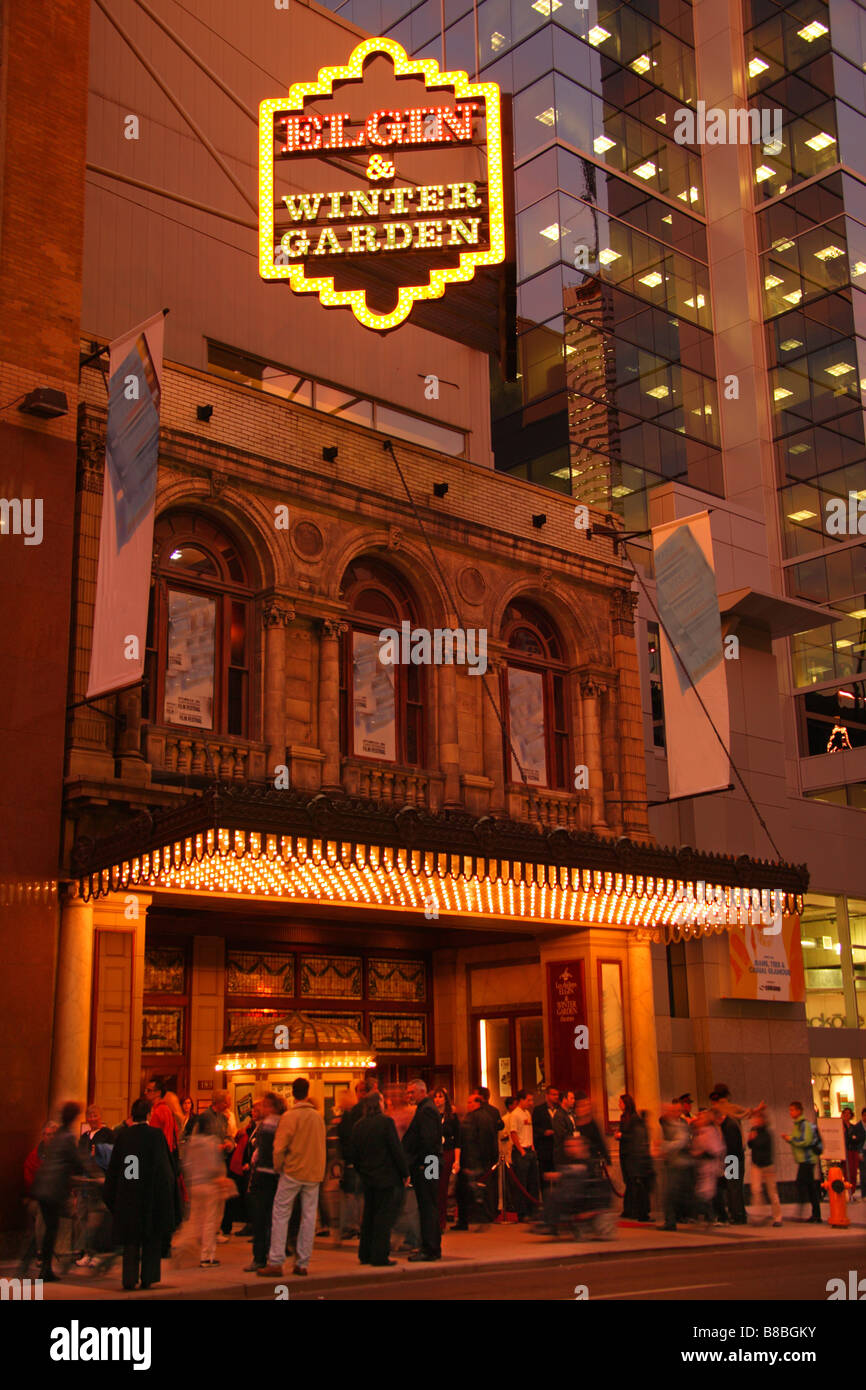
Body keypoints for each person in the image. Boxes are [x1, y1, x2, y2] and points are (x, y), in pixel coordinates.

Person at [103, 1096, 176, 1291]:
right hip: (150, 1195)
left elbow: (115, 1169)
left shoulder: (124, 1137)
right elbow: (164, 1169)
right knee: (151, 1238)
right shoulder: (156, 1136)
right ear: (149, 1115)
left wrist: (113, 1196)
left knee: (131, 1240)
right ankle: (148, 1277)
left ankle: (129, 1278)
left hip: (128, 1194)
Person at [258, 1077, 326, 1278]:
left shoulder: (289, 1117)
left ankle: (276, 1261)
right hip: (313, 1173)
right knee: (308, 1217)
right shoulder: (317, 1117)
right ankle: (303, 1262)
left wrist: (279, 1167)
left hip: (293, 1171)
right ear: (307, 1091)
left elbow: (279, 1147)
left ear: (292, 1092)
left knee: (280, 1214)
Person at [350, 1090, 409, 1266]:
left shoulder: (359, 1125)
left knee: (369, 1215)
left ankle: (365, 1253)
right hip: (386, 1176)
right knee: (383, 1217)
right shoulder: (386, 1123)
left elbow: (354, 1154)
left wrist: (362, 1171)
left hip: (368, 1177)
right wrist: (404, 1172)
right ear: (379, 1103)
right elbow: (395, 1149)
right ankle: (379, 1255)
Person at [31, 1102, 88, 1281]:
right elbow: (78, 1160)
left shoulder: (59, 1136)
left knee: (50, 1227)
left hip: (42, 1187)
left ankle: (45, 1265)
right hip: (54, 1190)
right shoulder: (67, 1137)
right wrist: (93, 1174)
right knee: (52, 1227)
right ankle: (47, 1267)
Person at [401, 1078, 443, 1260]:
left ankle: (430, 1248)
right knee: (428, 1204)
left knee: (427, 1205)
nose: (409, 1096)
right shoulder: (426, 1109)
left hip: (428, 1162)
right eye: (408, 1092)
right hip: (430, 1161)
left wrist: (420, 1163)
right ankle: (430, 1246)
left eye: (412, 1092)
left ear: (422, 1091)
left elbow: (427, 1141)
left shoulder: (426, 1110)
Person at [244, 1092, 285, 1272]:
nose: (263, 1108)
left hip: (265, 1173)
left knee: (261, 1217)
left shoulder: (269, 1125)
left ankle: (260, 1257)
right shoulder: (283, 1122)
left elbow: (264, 1151)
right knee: (273, 1218)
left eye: (267, 1105)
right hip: (278, 1175)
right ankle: (272, 1253)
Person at [144, 1076, 183, 1250]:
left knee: (158, 1203)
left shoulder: (158, 1111)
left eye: (149, 1090)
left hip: (160, 1160)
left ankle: (161, 1244)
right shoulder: (166, 1111)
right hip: (167, 1160)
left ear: (158, 1093)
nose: (146, 1093)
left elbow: (158, 1139)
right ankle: (165, 1243)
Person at [454, 1090, 498, 1231]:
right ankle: (470, 1220)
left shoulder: (472, 1119)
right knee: (476, 1191)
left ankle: (471, 1220)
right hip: (482, 1161)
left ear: (478, 1103)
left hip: (473, 1161)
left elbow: (469, 1141)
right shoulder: (487, 1117)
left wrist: (468, 1162)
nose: (468, 1105)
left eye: (470, 1102)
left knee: (472, 1192)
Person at [18, 1121, 58, 1276]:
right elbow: (29, 1180)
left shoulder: (59, 1153)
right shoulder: (35, 1155)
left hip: (58, 1196)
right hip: (38, 1197)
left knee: (81, 1209)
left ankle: (86, 1250)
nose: (50, 1137)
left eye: (53, 1134)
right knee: (42, 1212)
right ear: (43, 1136)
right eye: (47, 1134)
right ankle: (41, 1252)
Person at [709, 1089, 747, 1225]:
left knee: (733, 1189)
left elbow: (732, 1147)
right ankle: (738, 1214)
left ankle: (737, 1216)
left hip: (733, 1160)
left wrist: (728, 1166)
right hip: (734, 1159)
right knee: (734, 1188)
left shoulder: (729, 1126)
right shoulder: (729, 1124)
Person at [782, 1101, 821, 1223]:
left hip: (808, 1159)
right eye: (790, 1110)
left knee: (802, 1184)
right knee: (810, 1187)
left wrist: (790, 1139)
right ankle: (815, 1214)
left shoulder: (804, 1125)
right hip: (804, 1159)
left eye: (792, 1110)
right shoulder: (798, 1125)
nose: (791, 1112)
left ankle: (805, 1208)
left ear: (799, 1111)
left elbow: (805, 1140)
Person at [337, 1080, 367, 1238]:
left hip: (433, 1161)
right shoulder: (350, 1114)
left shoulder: (356, 1114)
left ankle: (356, 1225)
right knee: (353, 1194)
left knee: (356, 1194)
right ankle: (354, 1225)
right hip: (353, 1161)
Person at [504, 1090, 540, 1221]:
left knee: (532, 1182)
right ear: (522, 1100)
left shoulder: (527, 1113)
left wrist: (532, 1147)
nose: (531, 1103)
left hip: (529, 1149)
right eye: (529, 1100)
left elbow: (528, 1131)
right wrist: (521, 1150)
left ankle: (533, 1211)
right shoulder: (515, 1115)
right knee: (522, 1183)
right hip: (521, 1151)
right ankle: (522, 1213)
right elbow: (513, 1133)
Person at [616, 1094, 652, 1222]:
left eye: (621, 1102)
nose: (619, 1105)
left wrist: (622, 1136)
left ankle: (635, 1210)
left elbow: (634, 1137)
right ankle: (629, 1209)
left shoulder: (634, 1119)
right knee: (629, 1182)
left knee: (634, 1183)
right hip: (625, 1154)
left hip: (632, 1156)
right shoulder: (624, 1118)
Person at [658, 1102, 693, 1231]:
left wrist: (664, 1146)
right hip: (674, 1163)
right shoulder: (666, 1124)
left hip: (679, 1164)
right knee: (671, 1194)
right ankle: (671, 1220)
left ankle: (674, 1220)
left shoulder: (679, 1126)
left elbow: (681, 1142)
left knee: (672, 1194)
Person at [746, 1106, 782, 1227]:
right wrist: (750, 1139)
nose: (755, 1121)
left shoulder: (766, 1132)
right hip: (756, 1164)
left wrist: (753, 1138)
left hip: (767, 1165)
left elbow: (761, 1144)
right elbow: (751, 1145)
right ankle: (758, 1215)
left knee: (772, 1192)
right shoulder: (753, 1130)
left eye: (758, 1118)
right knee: (756, 1190)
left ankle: (777, 1217)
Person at [432, 1087, 460, 1232]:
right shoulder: (429, 1114)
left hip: (447, 1153)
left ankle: (440, 1222)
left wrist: (457, 1160)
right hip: (431, 1155)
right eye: (435, 1097)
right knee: (430, 1186)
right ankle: (430, 1220)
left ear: (445, 1099)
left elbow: (458, 1140)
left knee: (442, 1187)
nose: (437, 1099)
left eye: (440, 1096)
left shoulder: (451, 1117)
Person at [691, 1107, 725, 1224]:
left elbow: (716, 1150)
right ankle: (711, 1216)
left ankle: (717, 1216)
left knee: (711, 1192)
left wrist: (701, 1153)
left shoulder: (710, 1131)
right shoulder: (700, 1132)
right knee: (705, 1192)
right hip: (705, 1166)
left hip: (713, 1166)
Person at [532, 1086, 563, 1178]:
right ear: (547, 1096)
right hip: (544, 1148)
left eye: (557, 1094)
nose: (556, 1097)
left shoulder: (561, 1109)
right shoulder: (539, 1110)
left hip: (558, 1148)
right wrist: (543, 1132)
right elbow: (534, 1127)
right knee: (544, 1174)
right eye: (554, 1094)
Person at [841, 1108, 860, 1198]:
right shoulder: (840, 1126)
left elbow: (856, 1139)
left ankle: (852, 1192)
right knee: (846, 1172)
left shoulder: (853, 1127)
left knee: (853, 1172)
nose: (847, 1115)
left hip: (853, 1150)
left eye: (849, 1114)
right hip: (845, 1151)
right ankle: (846, 1192)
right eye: (845, 1113)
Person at [850, 1107, 866, 1200]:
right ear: (862, 1116)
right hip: (862, 1152)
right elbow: (856, 1141)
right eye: (864, 1115)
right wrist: (859, 1152)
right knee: (863, 1174)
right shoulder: (857, 1127)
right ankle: (864, 1194)